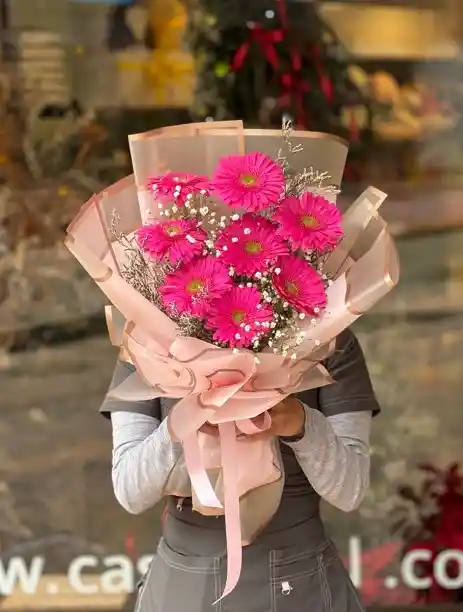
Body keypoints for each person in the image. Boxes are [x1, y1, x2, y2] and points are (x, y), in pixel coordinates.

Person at [101, 328, 379, 612]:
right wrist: (178, 427)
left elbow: (350, 490)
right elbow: (130, 491)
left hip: (300, 585)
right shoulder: (147, 338)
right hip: (186, 584)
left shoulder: (329, 334)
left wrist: (301, 424)